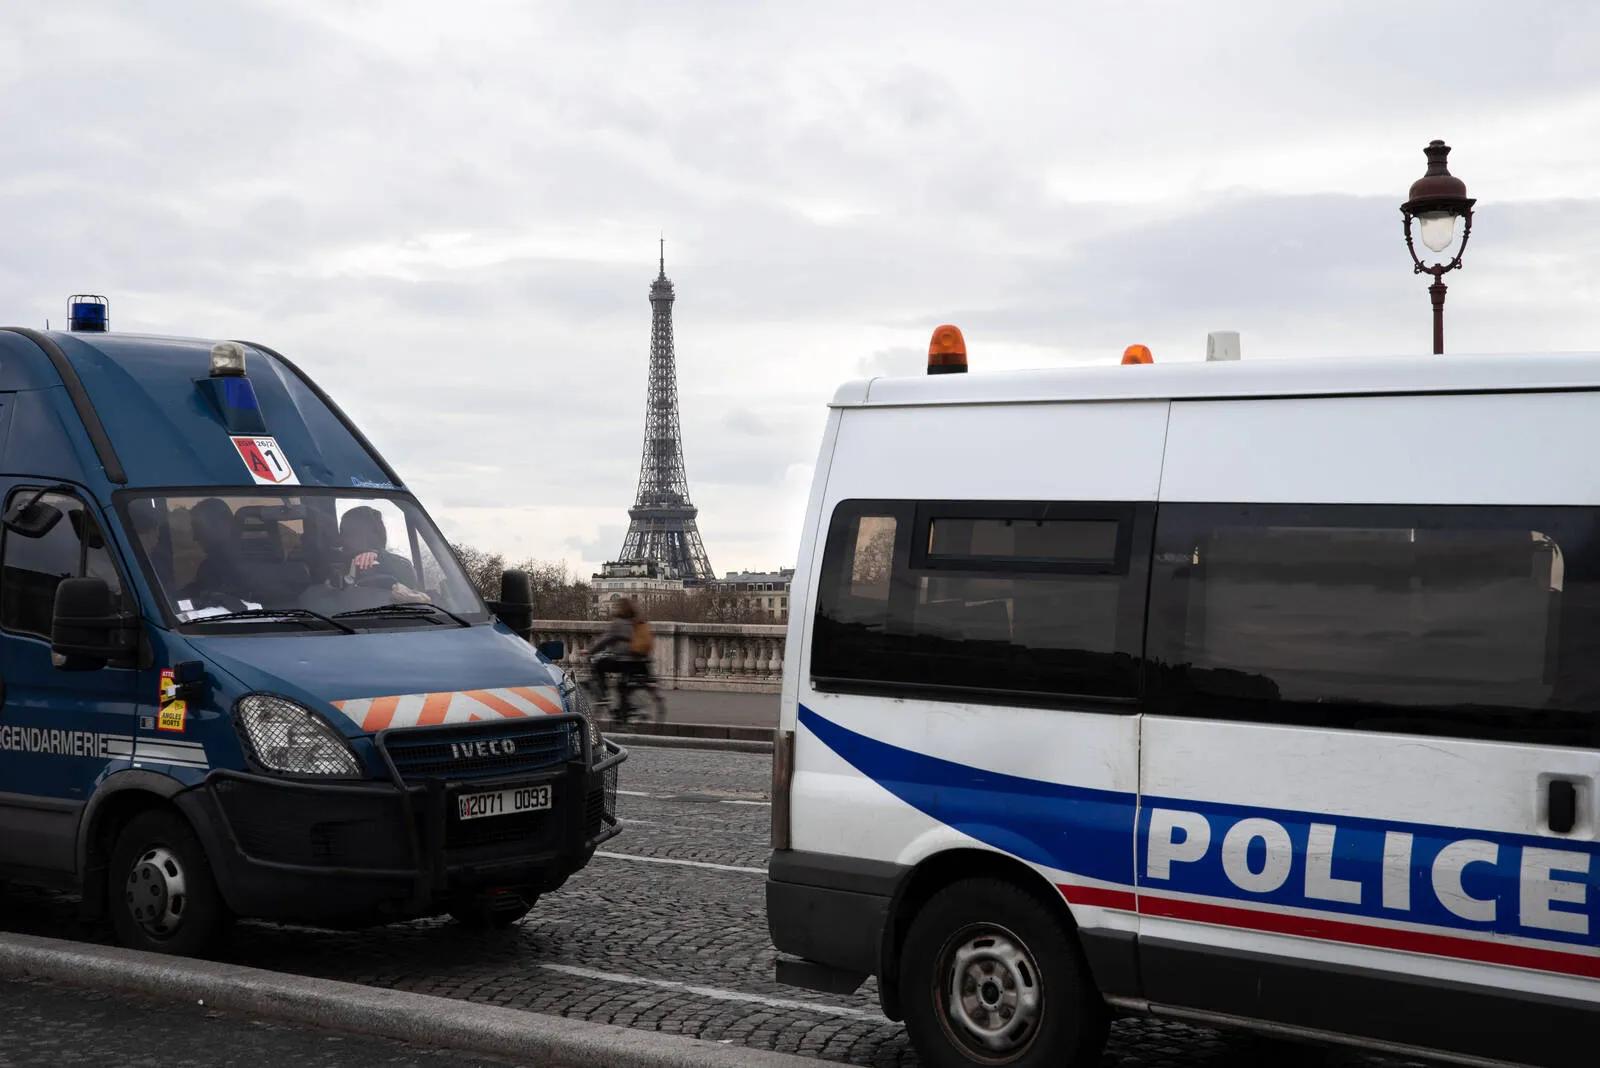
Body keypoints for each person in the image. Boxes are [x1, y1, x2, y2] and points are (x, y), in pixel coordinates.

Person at [338, 506, 425, 599]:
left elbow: (410, 580)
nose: (341, 539)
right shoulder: (335, 562)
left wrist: (378, 556)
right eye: (342, 533)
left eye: (347, 533)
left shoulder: (396, 564)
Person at [587, 598, 652, 715]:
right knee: (622, 685)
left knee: (599, 665)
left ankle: (603, 694)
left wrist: (590, 651)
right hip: (638, 661)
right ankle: (624, 711)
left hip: (624, 660)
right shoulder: (635, 622)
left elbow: (605, 640)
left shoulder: (618, 623)